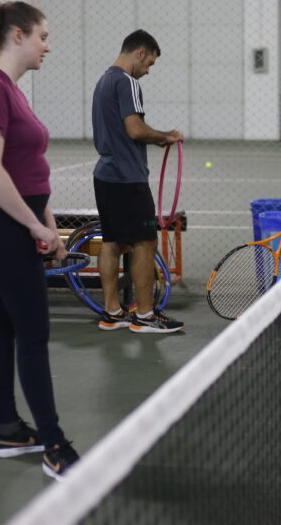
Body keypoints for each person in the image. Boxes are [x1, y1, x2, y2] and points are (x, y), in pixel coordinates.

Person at [0, 0, 79, 479]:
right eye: (43, 36)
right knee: (33, 334)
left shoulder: (10, 89)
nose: (47, 46)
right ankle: (54, 447)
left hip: (21, 221)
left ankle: (9, 431)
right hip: (4, 225)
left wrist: (47, 222)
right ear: (17, 35)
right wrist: (32, 226)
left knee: (4, 327)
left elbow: (27, 170)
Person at [91, 30, 184, 334]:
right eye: (150, 64)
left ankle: (112, 312)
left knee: (112, 242)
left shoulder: (103, 81)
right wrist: (165, 137)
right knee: (145, 242)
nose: (148, 71)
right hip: (127, 178)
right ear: (141, 52)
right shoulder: (126, 81)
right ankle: (144, 316)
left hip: (105, 175)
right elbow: (135, 129)